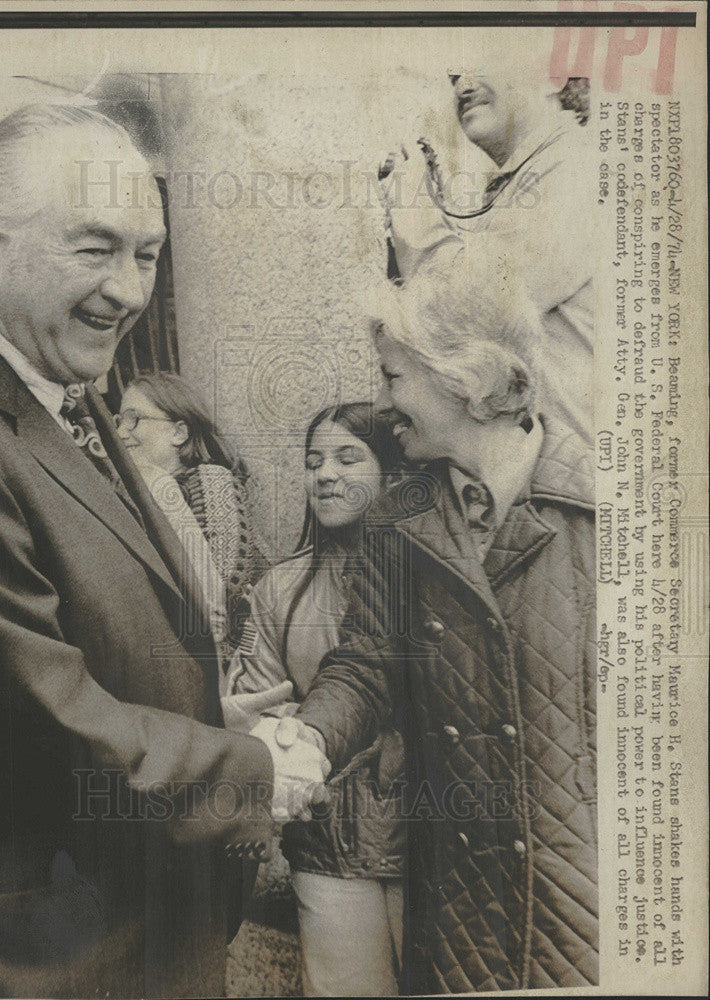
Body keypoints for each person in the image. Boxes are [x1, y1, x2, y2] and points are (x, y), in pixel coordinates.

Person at [0, 103, 327, 1000]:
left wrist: (206, 709)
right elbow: (35, 719)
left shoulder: (58, 382)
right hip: (42, 961)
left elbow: (92, 625)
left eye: (147, 253)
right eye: (94, 249)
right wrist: (254, 770)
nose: (129, 291)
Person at [284, 271, 597, 992]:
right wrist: (307, 739)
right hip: (457, 912)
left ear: (469, 379)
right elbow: (365, 662)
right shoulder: (399, 515)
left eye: (394, 375)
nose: (384, 400)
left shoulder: (603, 506)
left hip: (581, 914)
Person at [221, 403, 405, 996]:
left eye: (348, 458)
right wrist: (287, 739)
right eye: (313, 461)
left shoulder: (428, 575)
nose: (325, 474)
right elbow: (257, 700)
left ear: (391, 471)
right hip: (327, 836)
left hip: (425, 831)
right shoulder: (279, 587)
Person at [380, 63, 594, 446]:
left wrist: (411, 203)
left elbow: (469, 309)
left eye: (482, 64)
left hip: (576, 483)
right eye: (454, 77)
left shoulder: (579, 165)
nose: (463, 86)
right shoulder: (529, 177)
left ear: (552, 73)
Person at [118, 372, 268, 653]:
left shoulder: (212, 482)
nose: (121, 432)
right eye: (119, 421)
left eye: (134, 419)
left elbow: (216, 595)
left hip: (231, 660)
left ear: (179, 432)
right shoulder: (149, 493)